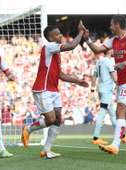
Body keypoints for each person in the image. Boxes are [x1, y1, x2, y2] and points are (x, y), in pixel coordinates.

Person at [21, 21, 89, 159]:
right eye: (57, 34)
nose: (61, 36)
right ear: (50, 38)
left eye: (60, 33)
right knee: (51, 119)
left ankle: (46, 150)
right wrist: (81, 32)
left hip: (53, 90)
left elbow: (60, 75)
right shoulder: (50, 46)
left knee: (58, 120)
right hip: (43, 89)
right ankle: (28, 129)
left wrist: (78, 81)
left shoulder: (56, 53)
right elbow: (71, 46)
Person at [83, 15, 126, 154]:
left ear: (117, 25)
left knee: (120, 111)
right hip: (122, 81)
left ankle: (115, 145)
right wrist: (86, 38)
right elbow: (97, 50)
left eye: (112, 24)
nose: (110, 27)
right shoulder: (113, 40)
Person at [91, 50, 117, 145]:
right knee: (102, 111)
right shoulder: (109, 62)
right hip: (107, 90)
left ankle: (120, 135)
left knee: (112, 113)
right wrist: (120, 85)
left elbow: (94, 76)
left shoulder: (99, 61)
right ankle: (96, 137)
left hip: (101, 90)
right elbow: (114, 76)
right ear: (109, 51)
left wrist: (92, 89)